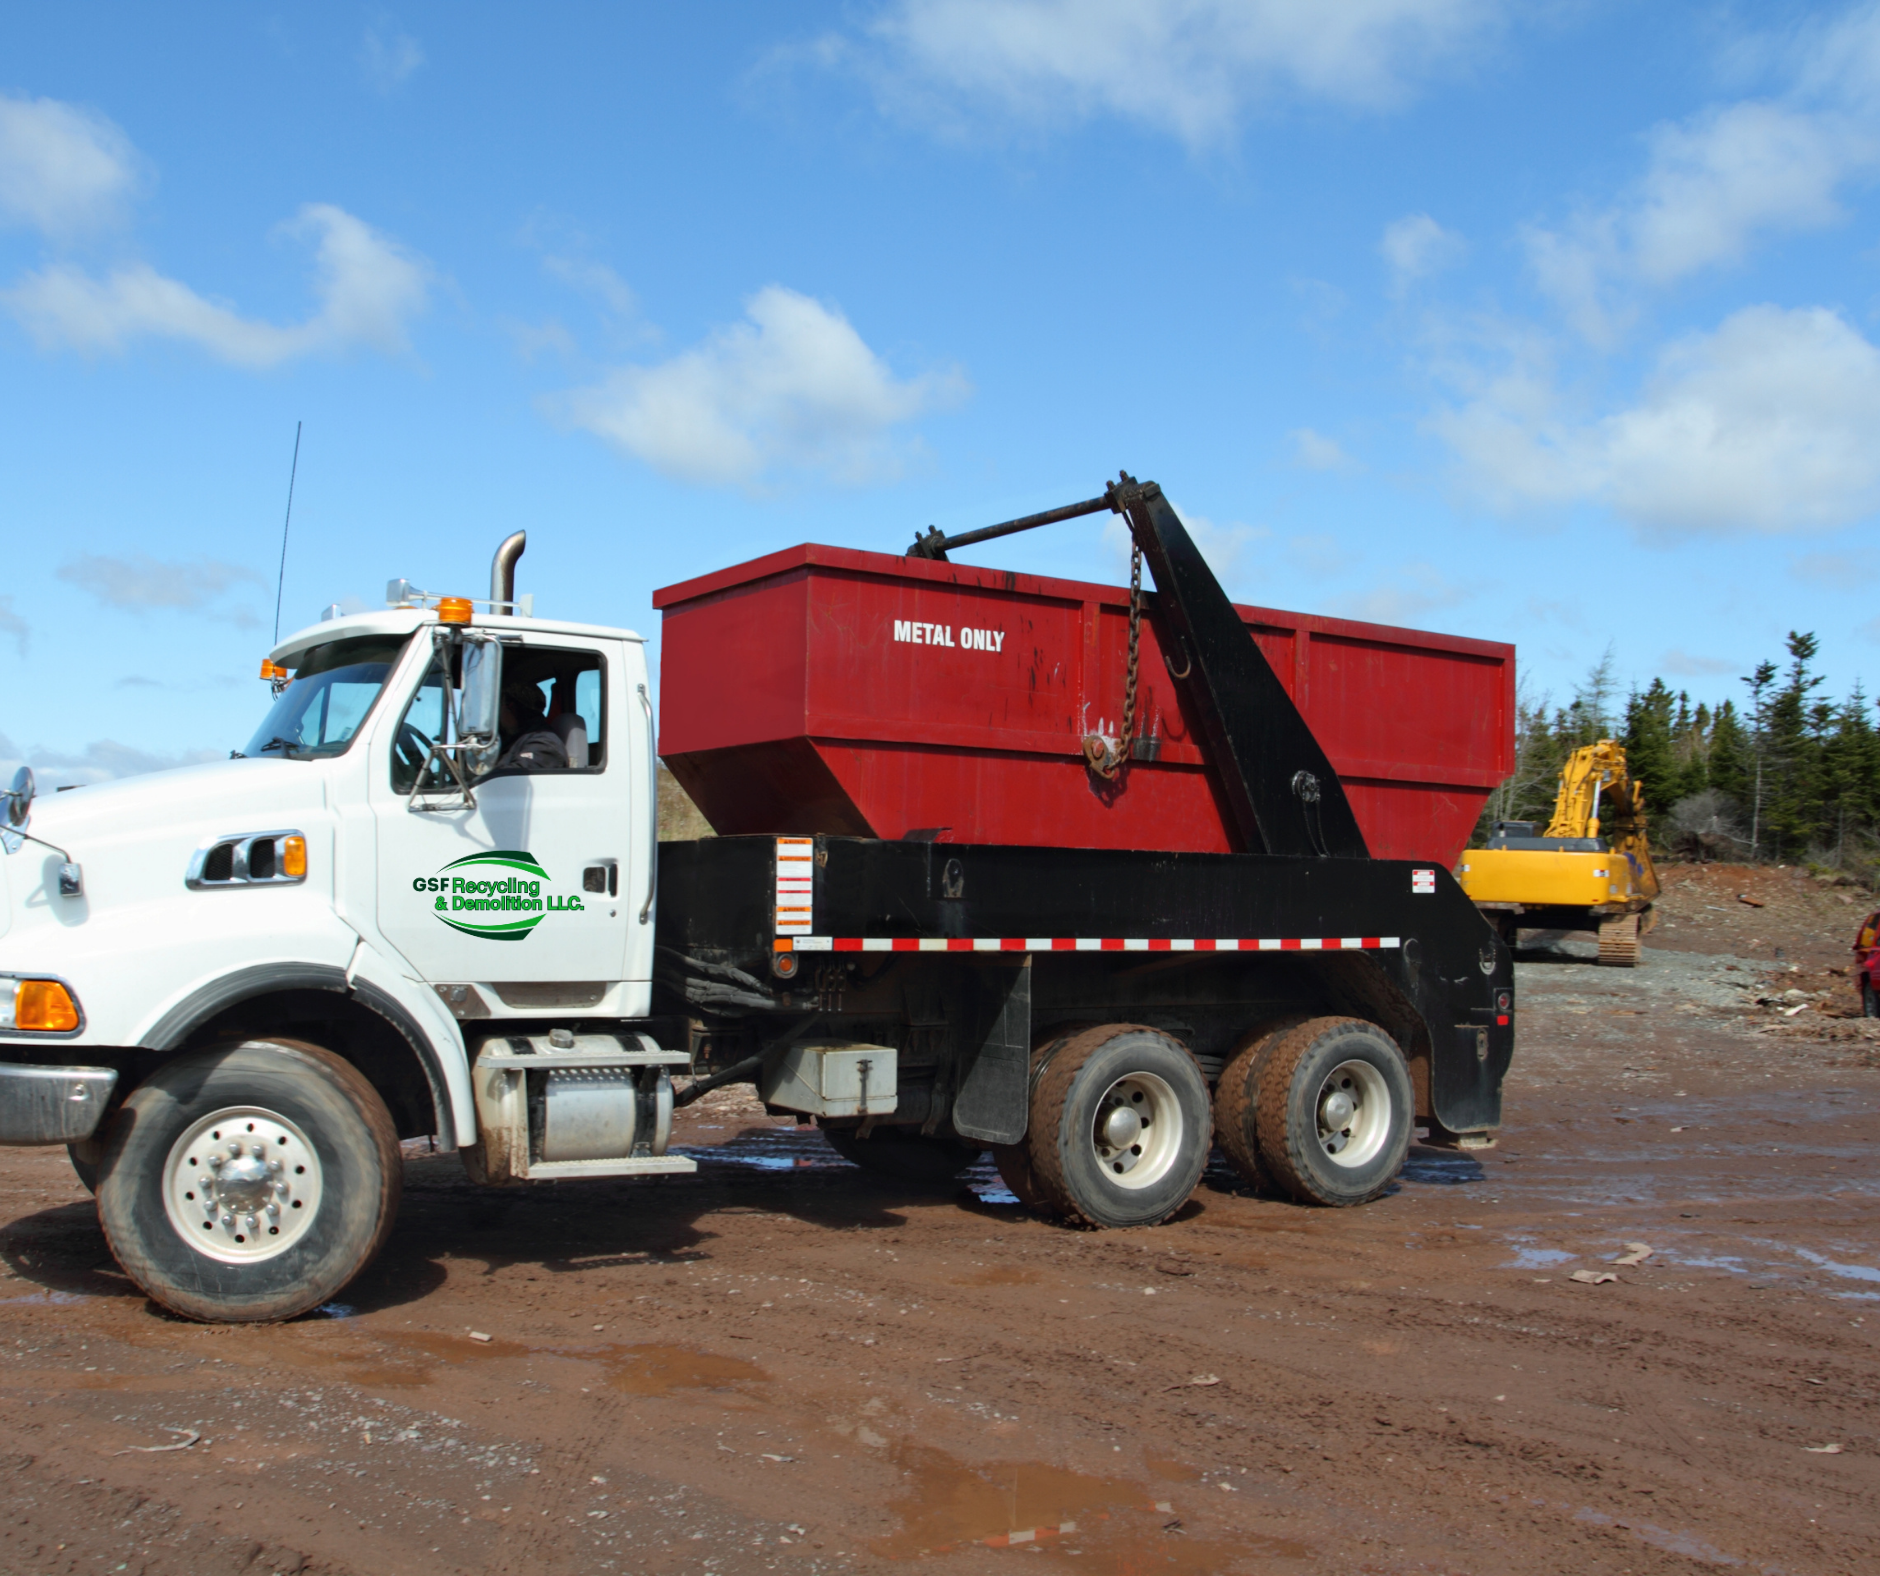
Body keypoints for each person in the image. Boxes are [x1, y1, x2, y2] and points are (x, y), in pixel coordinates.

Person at [497, 676, 568, 771]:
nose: (499, 713)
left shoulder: (544, 744)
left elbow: (513, 775)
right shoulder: (517, 739)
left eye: (500, 706)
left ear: (512, 707)